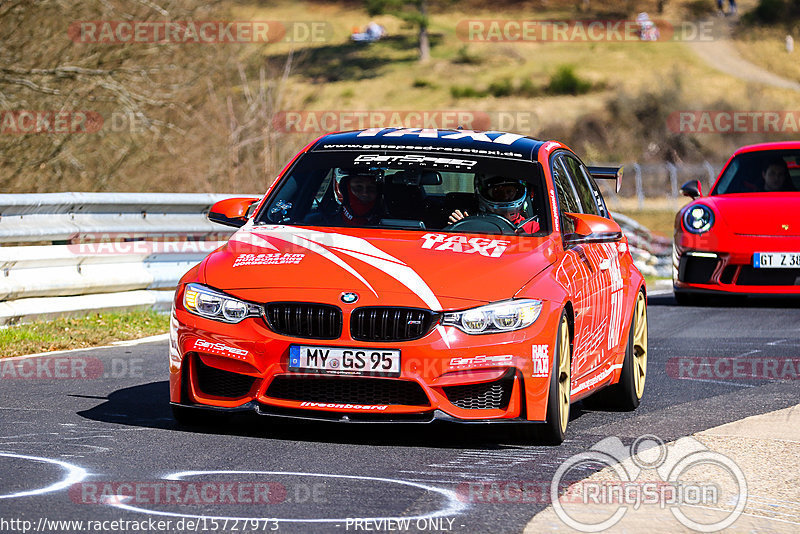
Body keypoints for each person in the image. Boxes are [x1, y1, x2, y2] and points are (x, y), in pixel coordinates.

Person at [448, 174, 539, 233]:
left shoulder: (532, 228)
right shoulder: (470, 223)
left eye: (510, 191)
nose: (505, 197)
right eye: (497, 192)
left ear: (518, 192)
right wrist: (460, 228)